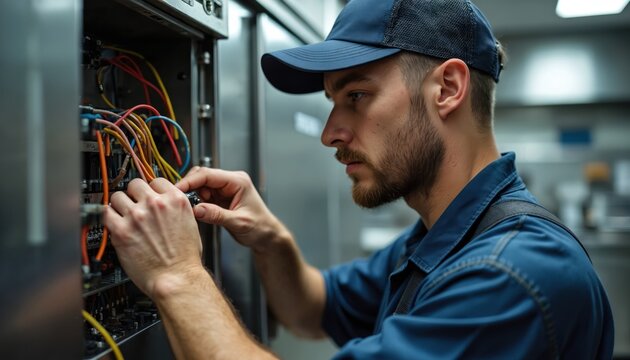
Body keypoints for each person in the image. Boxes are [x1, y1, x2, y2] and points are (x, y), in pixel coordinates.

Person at [103, 0, 614, 358]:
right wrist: (270, 239)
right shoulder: (439, 238)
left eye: (356, 96)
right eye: (332, 103)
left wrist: (177, 277)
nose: (330, 134)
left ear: (448, 89)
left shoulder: (510, 277)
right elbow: (312, 310)